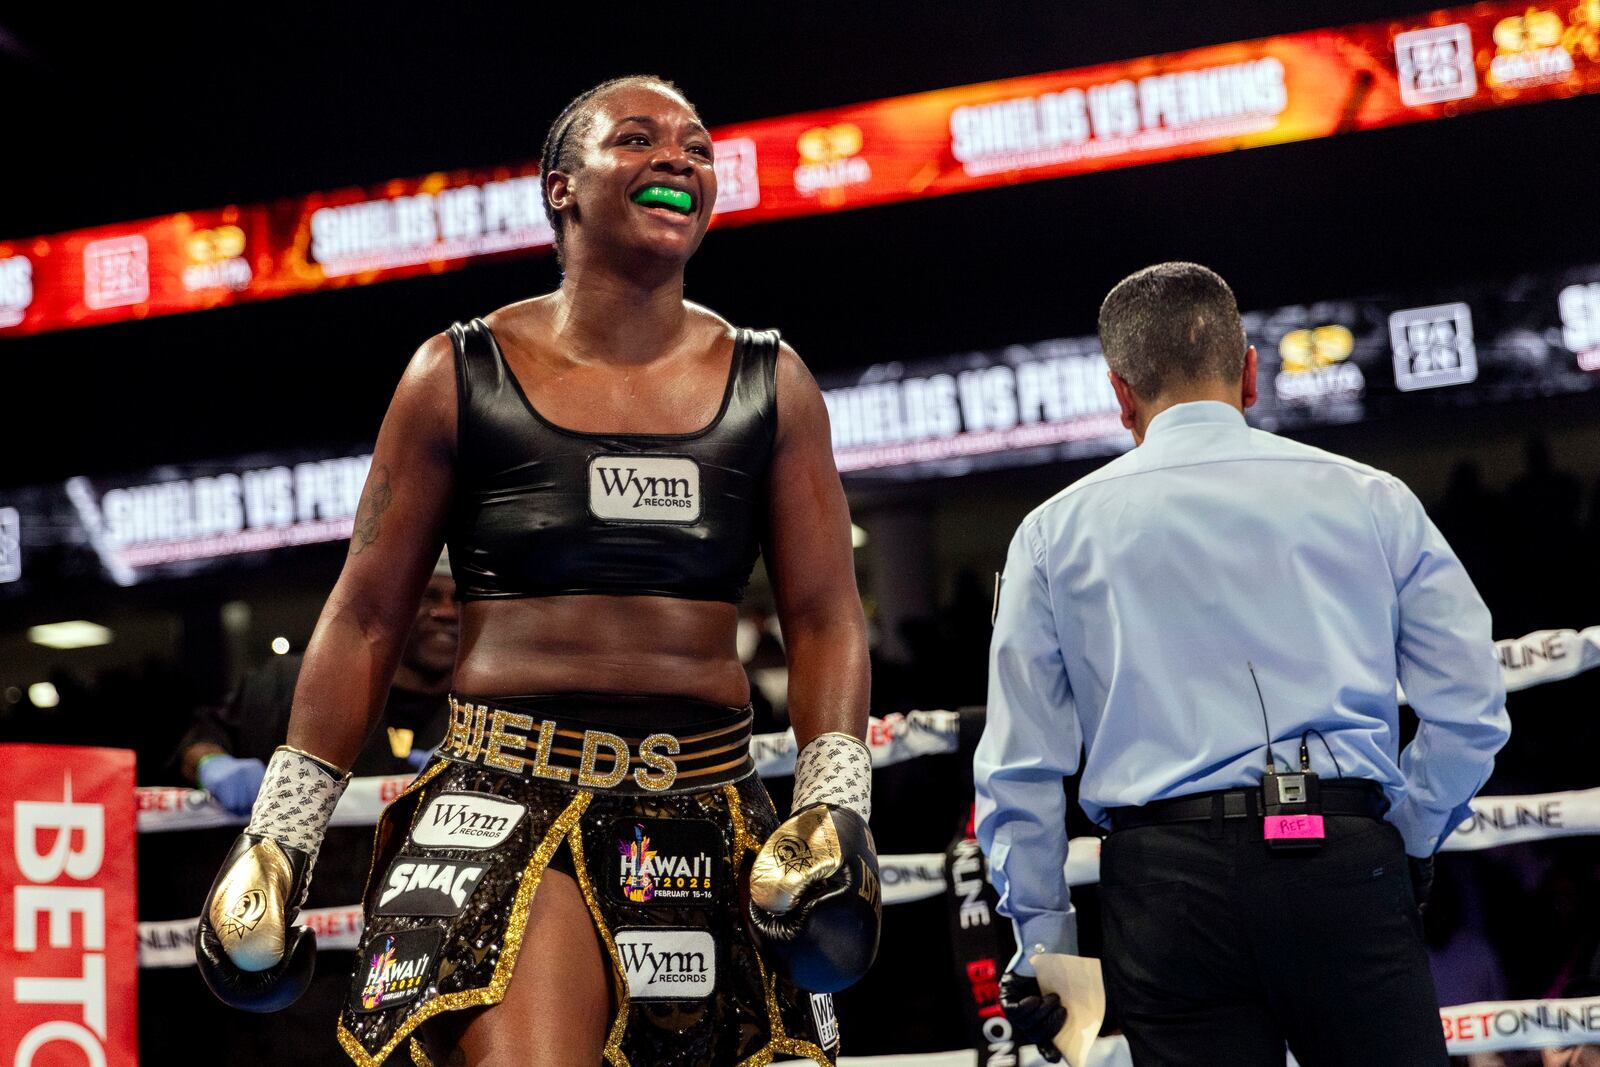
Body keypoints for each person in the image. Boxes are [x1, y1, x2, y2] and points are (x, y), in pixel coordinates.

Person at [193, 74, 878, 1067]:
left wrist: (835, 802)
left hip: (707, 796)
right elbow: (365, 617)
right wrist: (282, 833)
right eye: (637, 140)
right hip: (507, 796)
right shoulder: (457, 372)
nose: (678, 160)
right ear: (561, 186)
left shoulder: (771, 381)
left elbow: (824, 615)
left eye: (694, 146)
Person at [974, 262, 1510, 1066]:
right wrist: (1405, 833)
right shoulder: (1373, 498)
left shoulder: (1052, 533)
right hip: (1342, 853)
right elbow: (1470, 706)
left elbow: (1018, 764)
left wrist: (1046, 943)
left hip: (1164, 890)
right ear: (1251, 370)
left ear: (1120, 393)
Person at [177, 552, 460, 815]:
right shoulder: (292, 683)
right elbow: (202, 740)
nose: (447, 613)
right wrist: (210, 764)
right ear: (391, 605)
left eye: (460, 599)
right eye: (427, 596)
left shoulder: (488, 709)